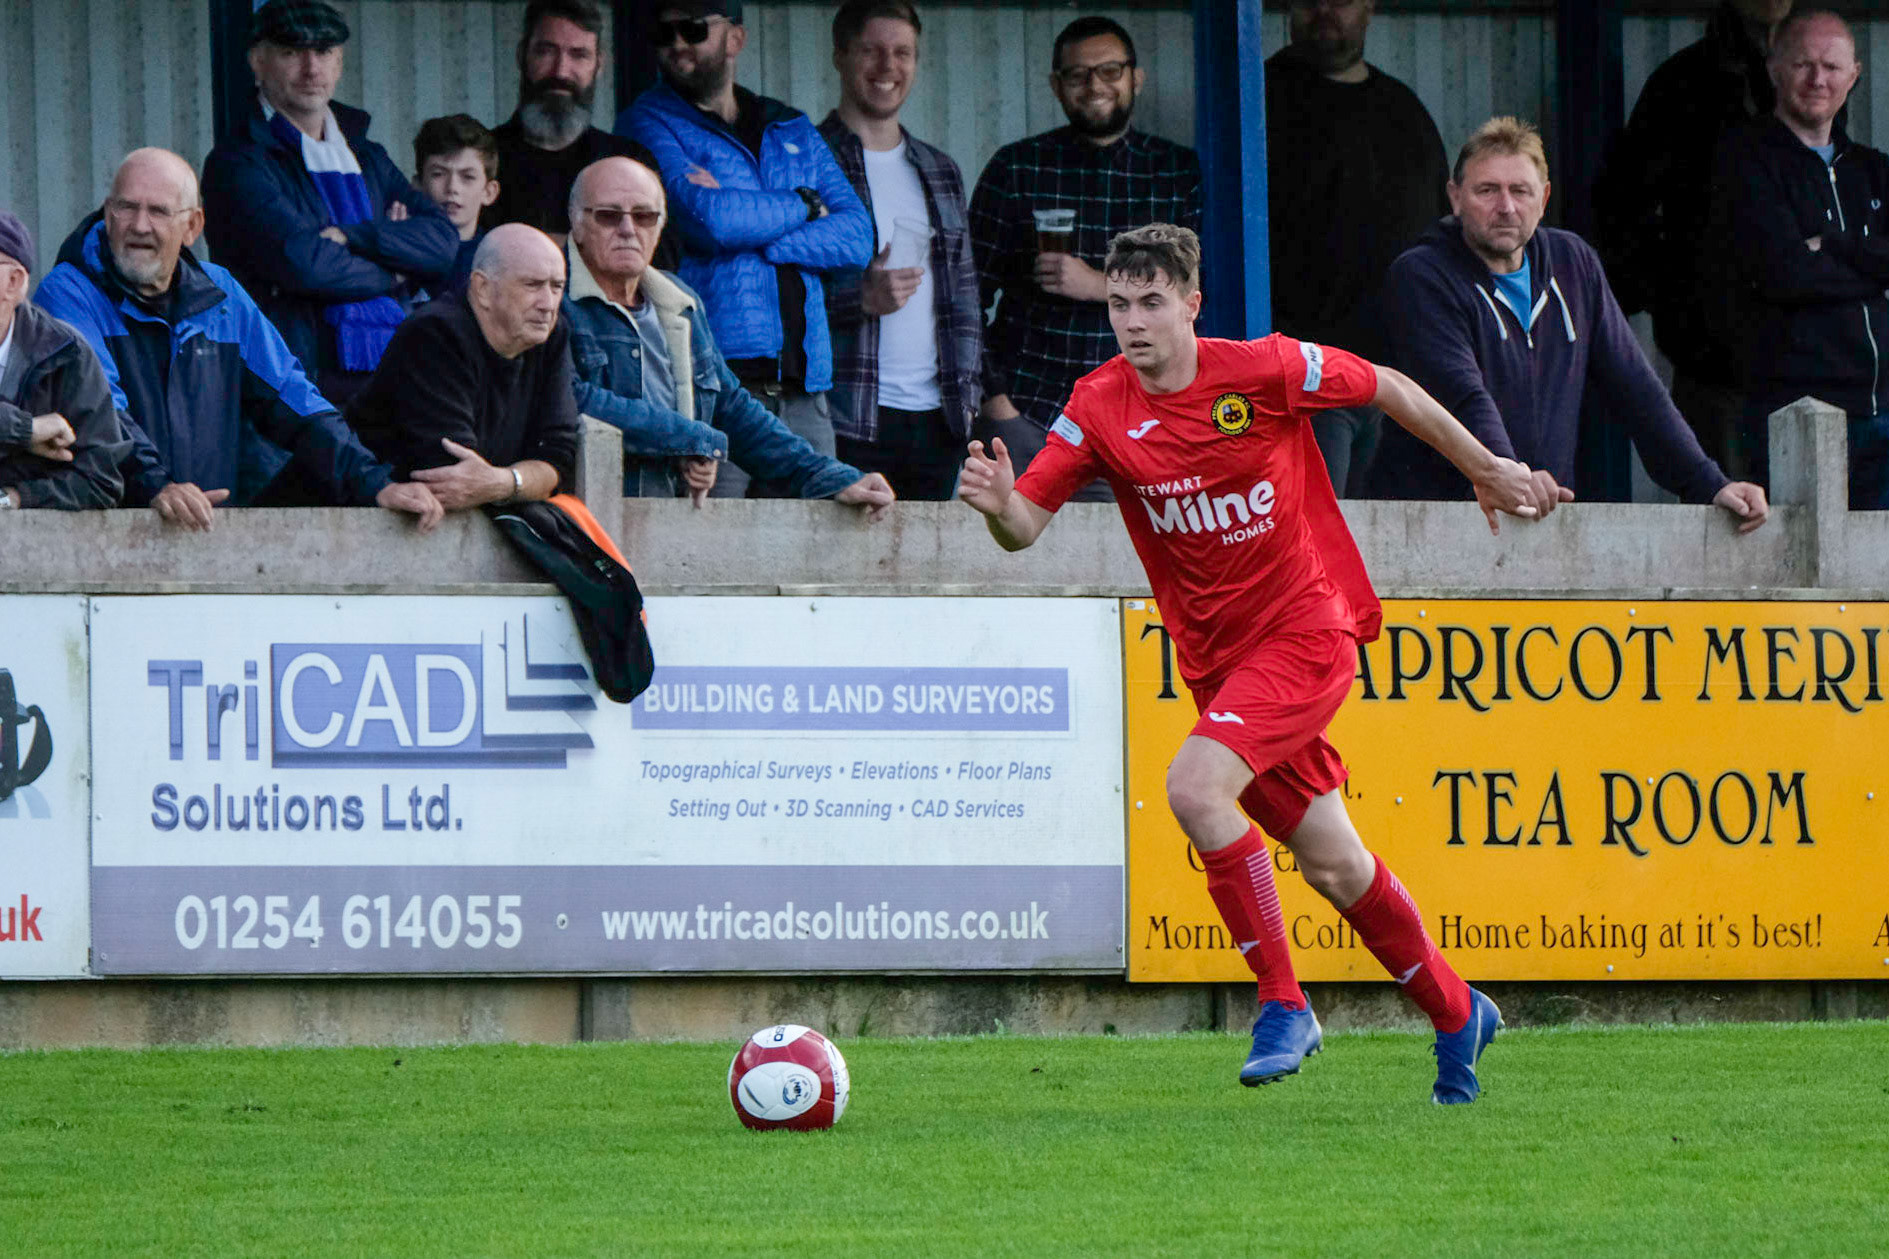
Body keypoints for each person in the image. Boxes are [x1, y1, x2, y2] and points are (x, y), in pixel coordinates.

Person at [959, 223, 1534, 1101]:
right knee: (1335, 864)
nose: (1132, 321)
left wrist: (1486, 467)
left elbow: (1386, 387)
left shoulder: (1264, 369)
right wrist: (1000, 504)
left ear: (1191, 305)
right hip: (1218, 665)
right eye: (1118, 303)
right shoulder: (1098, 403)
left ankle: (1282, 1001)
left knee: (1193, 788)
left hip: (1307, 628)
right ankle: (1458, 1010)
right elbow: (1025, 528)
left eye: (1151, 302)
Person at [1374, 117, 1770, 533]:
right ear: (1455, 198)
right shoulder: (1421, 276)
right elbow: (1462, 393)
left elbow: (1636, 388)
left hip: (1536, 519)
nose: (1506, 207)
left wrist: (1708, 484)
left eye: (1520, 191)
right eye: (1487, 190)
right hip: (1431, 523)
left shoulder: (1574, 264)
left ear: (1544, 199)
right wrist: (1511, 475)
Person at [35, 150, 440, 532]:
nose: (140, 225)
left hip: (205, 535)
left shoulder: (222, 295)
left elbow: (292, 398)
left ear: (192, 226)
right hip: (102, 538)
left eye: (158, 211)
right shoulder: (68, 292)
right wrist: (156, 487)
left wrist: (372, 484)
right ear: (108, 214)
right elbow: (100, 410)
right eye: (126, 207)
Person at [620, 1, 875, 498]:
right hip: (716, 389)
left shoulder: (790, 126)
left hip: (807, 390)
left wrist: (757, 233)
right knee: (711, 557)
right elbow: (708, 220)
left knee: (816, 555)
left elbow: (858, 237)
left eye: (692, 29)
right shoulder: (647, 120)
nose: (676, 44)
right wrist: (806, 202)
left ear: (735, 38)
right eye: (663, 33)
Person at [565, 157, 895, 518]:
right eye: (609, 215)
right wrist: (692, 439)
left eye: (644, 216)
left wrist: (833, 478)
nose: (628, 229)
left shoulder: (681, 302)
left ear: (660, 227)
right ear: (577, 224)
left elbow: (731, 408)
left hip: (670, 527)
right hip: (582, 526)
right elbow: (574, 400)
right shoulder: (553, 298)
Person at [969, 16, 1201, 492]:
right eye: (1077, 75)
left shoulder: (1176, 172)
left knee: (1133, 564)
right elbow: (963, 298)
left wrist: (1097, 283)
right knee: (1013, 559)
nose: (1095, 86)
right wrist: (997, 405)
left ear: (1136, 78)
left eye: (1110, 71)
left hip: (1141, 422)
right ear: (1057, 86)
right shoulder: (1017, 168)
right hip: (1028, 416)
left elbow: (1200, 290)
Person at [201, 0, 458, 403]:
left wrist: (357, 236)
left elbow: (443, 243)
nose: (311, 69)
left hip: (391, 375)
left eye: (323, 52)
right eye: (291, 52)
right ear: (257, 61)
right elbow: (306, 264)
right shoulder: (238, 162)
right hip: (290, 389)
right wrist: (397, 272)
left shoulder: (368, 156)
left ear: (339, 63)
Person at [1594, 0, 1793, 477]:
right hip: (1715, 358)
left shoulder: (1814, 75)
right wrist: (1681, 300)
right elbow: (1623, 205)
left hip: (1816, 361)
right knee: (1727, 516)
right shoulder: (1684, 83)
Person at [1265, 0, 1448, 496]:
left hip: (1402, 379)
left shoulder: (1404, 112)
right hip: (1303, 378)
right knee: (1318, 538)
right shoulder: (1259, 98)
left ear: (1369, 6)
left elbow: (1442, 233)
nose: (1324, 10)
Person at [1712, 10, 1889, 508]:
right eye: (1803, 64)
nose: (1818, 79)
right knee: (1804, 577)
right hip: (1791, 413)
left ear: (1854, 75)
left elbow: (1807, 263)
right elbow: (1783, 273)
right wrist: (1873, 270)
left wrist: (1830, 245)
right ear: (1773, 69)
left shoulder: (1874, 171)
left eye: (1832, 67)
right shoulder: (1745, 160)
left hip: (1882, 411)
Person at [817, 0, 983, 500]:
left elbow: (966, 294)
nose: (888, 67)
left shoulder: (938, 168)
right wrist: (859, 299)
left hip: (940, 416)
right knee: (844, 577)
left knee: (929, 578)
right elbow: (778, 294)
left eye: (902, 53)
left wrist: (970, 398)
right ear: (841, 56)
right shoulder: (808, 157)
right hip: (848, 414)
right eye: (871, 51)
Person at [345, 225, 579, 513]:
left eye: (557, 287)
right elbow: (453, 476)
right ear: (482, 289)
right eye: (532, 285)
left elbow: (560, 459)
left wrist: (506, 482)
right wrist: (525, 481)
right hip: (334, 525)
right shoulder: (435, 333)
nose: (548, 304)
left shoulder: (551, 336)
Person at [483, 0, 674, 269]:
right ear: (522, 56)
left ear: (599, 65)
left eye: (579, 55)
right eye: (546, 51)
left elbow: (662, 259)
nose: (560, 71)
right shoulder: (480, 162)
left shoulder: (631, 162)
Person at [0, 211, 125, 511]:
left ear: (13, 282)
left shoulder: (66, 354)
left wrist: (13, 498)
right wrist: (24, 431)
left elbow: (101, 480)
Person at [415, 114, 501, 296]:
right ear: (418, 185)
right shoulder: (396, 250)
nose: (452, 187)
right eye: (438, 174)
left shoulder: (499, 262)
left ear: (489, 192)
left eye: (468, 177)